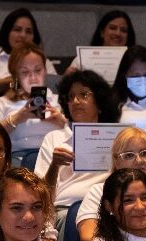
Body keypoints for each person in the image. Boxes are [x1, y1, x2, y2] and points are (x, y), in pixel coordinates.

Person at [34, 70, 120, 230]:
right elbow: (41, 192)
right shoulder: (54, 138)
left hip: (107, 209)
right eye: (71, 96)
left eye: (84, 95)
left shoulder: (117, 137)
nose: (75, 101)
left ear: (100, 102)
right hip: (65, 210)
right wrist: (54, 165)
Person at [75, 126, 146, 241]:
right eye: (129, 155)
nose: (139, 161)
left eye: (145, 153)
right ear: (116, 161)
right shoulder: (99, 192)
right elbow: (88, 239)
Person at [0, 44, 65, 169]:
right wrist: (15, 119)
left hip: (56, 160)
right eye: (25, 72)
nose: (33, 77)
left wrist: (63, 122)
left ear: (45, 71)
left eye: (38, 70)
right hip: (18, 162)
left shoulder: (61, 102)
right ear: (15, 76)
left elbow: (83, 136)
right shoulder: (2, 103)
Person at [0, 8, 57, 116]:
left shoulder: (44, 61)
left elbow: (54, 87)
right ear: (7, 32)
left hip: (35, 113)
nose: (23, 35)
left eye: (28, 31)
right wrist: (16, 81)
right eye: (17, 29)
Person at [65, 11, 136, 74]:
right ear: (102, 32)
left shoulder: (135, 62)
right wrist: (68, 78)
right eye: (113, 28)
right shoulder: (82, 60)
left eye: (123, 30)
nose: (118, 33)